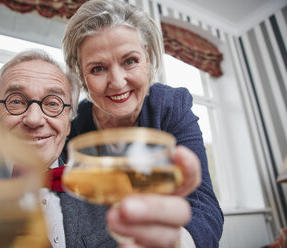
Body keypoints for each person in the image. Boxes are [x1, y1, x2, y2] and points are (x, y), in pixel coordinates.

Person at [61, 0, 224, 247]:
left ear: (147, 58)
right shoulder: (73, 126)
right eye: (97, 68)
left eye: (129, 61)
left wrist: (178, 241)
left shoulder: (170, 106)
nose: (117, 82)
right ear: (81, 75)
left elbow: (204, 206)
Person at [0, 49, 121, 247]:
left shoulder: (102, 197)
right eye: (16, 101)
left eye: (53, 104)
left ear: (68, 123)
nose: (34, 119)